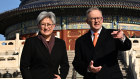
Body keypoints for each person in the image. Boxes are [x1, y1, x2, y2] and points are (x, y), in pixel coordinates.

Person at [72, 7, 132, 79]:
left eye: (98, 18)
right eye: (93, 18)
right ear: (87, 21)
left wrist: (122, 37)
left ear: (102, 19)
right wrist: (88, 69)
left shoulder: (113, 34)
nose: (96, 21)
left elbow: (127, 46)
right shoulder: (81, 40)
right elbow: (77, 63)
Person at [20, 11, 69, 79]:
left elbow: (65, 65)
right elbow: (24, 66)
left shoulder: (60, 43)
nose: (46, 28)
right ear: (38, 26)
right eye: (43, 24)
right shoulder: (31, 42)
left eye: (49, 24)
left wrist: (61, 76)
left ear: (53, 26)